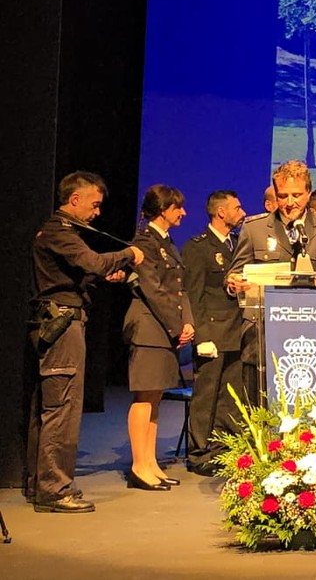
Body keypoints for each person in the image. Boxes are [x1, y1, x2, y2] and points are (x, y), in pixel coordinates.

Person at [26, 172, 143, 513]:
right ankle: (55, 489)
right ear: (74, 199)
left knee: (49, 407)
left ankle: (39, 484)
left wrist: (102, 275)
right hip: (62, 324)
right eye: (94, 205)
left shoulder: (60, 233)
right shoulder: (59, 231)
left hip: (57, 321)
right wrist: (128, 254)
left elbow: (78, 272)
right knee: (62, 407)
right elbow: (93, 261)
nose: (97, 213)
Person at [227, 161, 316, 404]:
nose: (290, 202)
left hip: (315, 332)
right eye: (283, 196)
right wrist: (233, 283)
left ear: (308, 193)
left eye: (297, 195)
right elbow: (236, 273)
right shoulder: (254, 228)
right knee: (261, 405)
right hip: (263, 331)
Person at [122, 184, 196, 491]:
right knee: (144, 396)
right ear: (164, 210)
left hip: (164, 327)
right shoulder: (144, 242)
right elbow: (152, 289)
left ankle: (150, 462)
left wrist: (187, 321)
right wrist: (177, 325)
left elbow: (179, 288)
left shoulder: (166, 241)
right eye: (178, 207)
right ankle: (139, 466)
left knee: (155, 398)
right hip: (149, 327)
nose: (183, 213)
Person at [182, 190, 247, 475]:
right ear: (221, 212)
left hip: (236, 330)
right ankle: (199, 453)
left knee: (229, 397)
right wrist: (201, 336)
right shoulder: (198, 247)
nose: (242, 212)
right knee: (206, 397)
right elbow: (193, 294)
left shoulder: (237, 244)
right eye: (237, 208)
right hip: (212, 332)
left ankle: (223, 450)